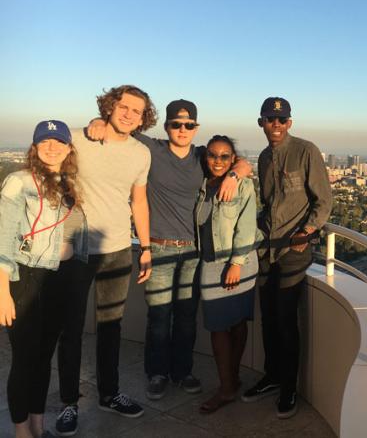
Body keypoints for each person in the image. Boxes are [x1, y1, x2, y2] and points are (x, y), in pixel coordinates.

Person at [87, 99, 251, 401]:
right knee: (159, 316)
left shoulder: (203, 155)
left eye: (189, 125)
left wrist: (234, 174)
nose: (183, 129)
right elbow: (120, 129)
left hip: (193, 251)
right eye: (176, 124)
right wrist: (98, 122)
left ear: (196, 128)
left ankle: (182, 371)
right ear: (166, 126)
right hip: (159, 248)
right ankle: (157, 372)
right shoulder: (152, 149)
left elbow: (241, 162)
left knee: (187, 316)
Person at [54, 86, 155, 436]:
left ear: (144, 118)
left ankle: (109, 394)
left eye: (137, 111)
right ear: (109, 107)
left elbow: (138, 202)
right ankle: (69, 402)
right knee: (71, 328)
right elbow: (48, 162)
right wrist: (91, 125)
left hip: (116, 248)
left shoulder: (141, 154)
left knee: (111, 327)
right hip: (75, 250)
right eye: (123, 106)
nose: (128, 114)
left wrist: (145, 247)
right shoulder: (81, 139)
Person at [242, 97, 332, 419]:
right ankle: (272, 375)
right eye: (269, 119)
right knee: (267, 317)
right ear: (261, 123)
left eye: (281, 120)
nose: (275, 125)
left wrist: (306, 231)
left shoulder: (306, 151)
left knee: (285, 319)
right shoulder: (264, 157)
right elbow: (268, 203)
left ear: (290, 123)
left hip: (294, 251)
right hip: (267, 248)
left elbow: (323, 202)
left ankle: (288, 387)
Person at [0, 120, 86, 438]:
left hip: (58, 279)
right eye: (45, 141)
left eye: (59, 141)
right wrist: (2, 292)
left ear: (68, 148)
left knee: (43, 357)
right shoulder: (19, 181)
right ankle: (22, 432)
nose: (52, 147)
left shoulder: (66, 183)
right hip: (26, 279)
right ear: (35, 147)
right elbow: (3, 239)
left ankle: (38, 426)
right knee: (24, 360)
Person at [195, 135, 259, 414]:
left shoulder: (243, 185)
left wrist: (236, 263)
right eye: (212, 155)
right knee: (218, 326)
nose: (217, 161)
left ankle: (228, 385)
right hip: (210, 262)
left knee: (236, 323)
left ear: (233, 159)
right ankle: (228, 383)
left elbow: (246, 226)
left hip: (239, 262)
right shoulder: (202, 184)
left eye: (224, 156)